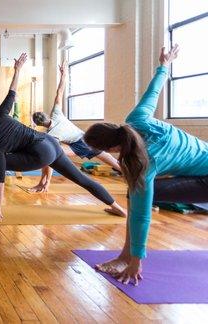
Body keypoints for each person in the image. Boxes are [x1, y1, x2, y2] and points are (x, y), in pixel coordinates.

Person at [84, 45, 208, 286]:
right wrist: (164, 65)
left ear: (111, 150)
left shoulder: (143, 164)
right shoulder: (136, 120)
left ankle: (126, 258)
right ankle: (124, 255)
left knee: (139, 196)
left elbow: (141, 216)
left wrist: (136, 261)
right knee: (136, 192)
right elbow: (153, 93)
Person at [0, 53, 127, 221]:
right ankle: (118, 208)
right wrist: (17, 69)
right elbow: (12, 93)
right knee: (82, 179)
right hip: (51, 143)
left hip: (41, 154)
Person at [32, 59, 121, 190]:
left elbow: (50, 159)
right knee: (115, 163)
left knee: (49, 153)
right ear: (46, 114)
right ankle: (137, 176)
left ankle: (45, 183)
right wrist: (63, 75)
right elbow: (59, 93)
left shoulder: (51, 135)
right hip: (85, 139)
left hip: (82, 143)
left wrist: (47, 180)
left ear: (39, 125)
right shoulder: (57, 113)